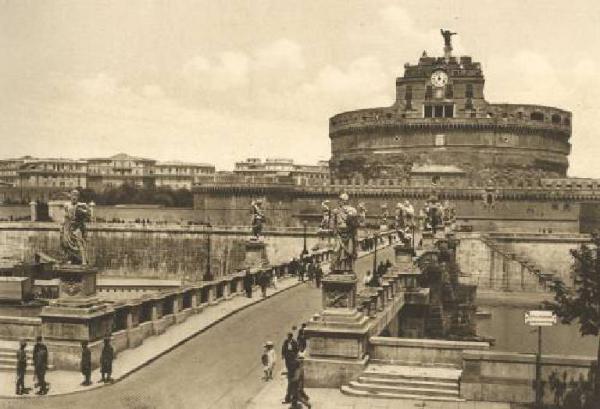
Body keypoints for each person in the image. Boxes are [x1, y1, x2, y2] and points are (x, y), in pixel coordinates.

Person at [281, 332, 299, 404]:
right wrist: (283, 354)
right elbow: (283, 348)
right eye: (287, 336)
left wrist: (294, 355)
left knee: (291, 385)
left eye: (289, 337)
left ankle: (289, 398)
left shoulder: (294, 342)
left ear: (291, 337)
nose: (288, 338)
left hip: (292, 355)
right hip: (287, 356)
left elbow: (296, 349)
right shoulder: (285, 342)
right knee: (288, 365)